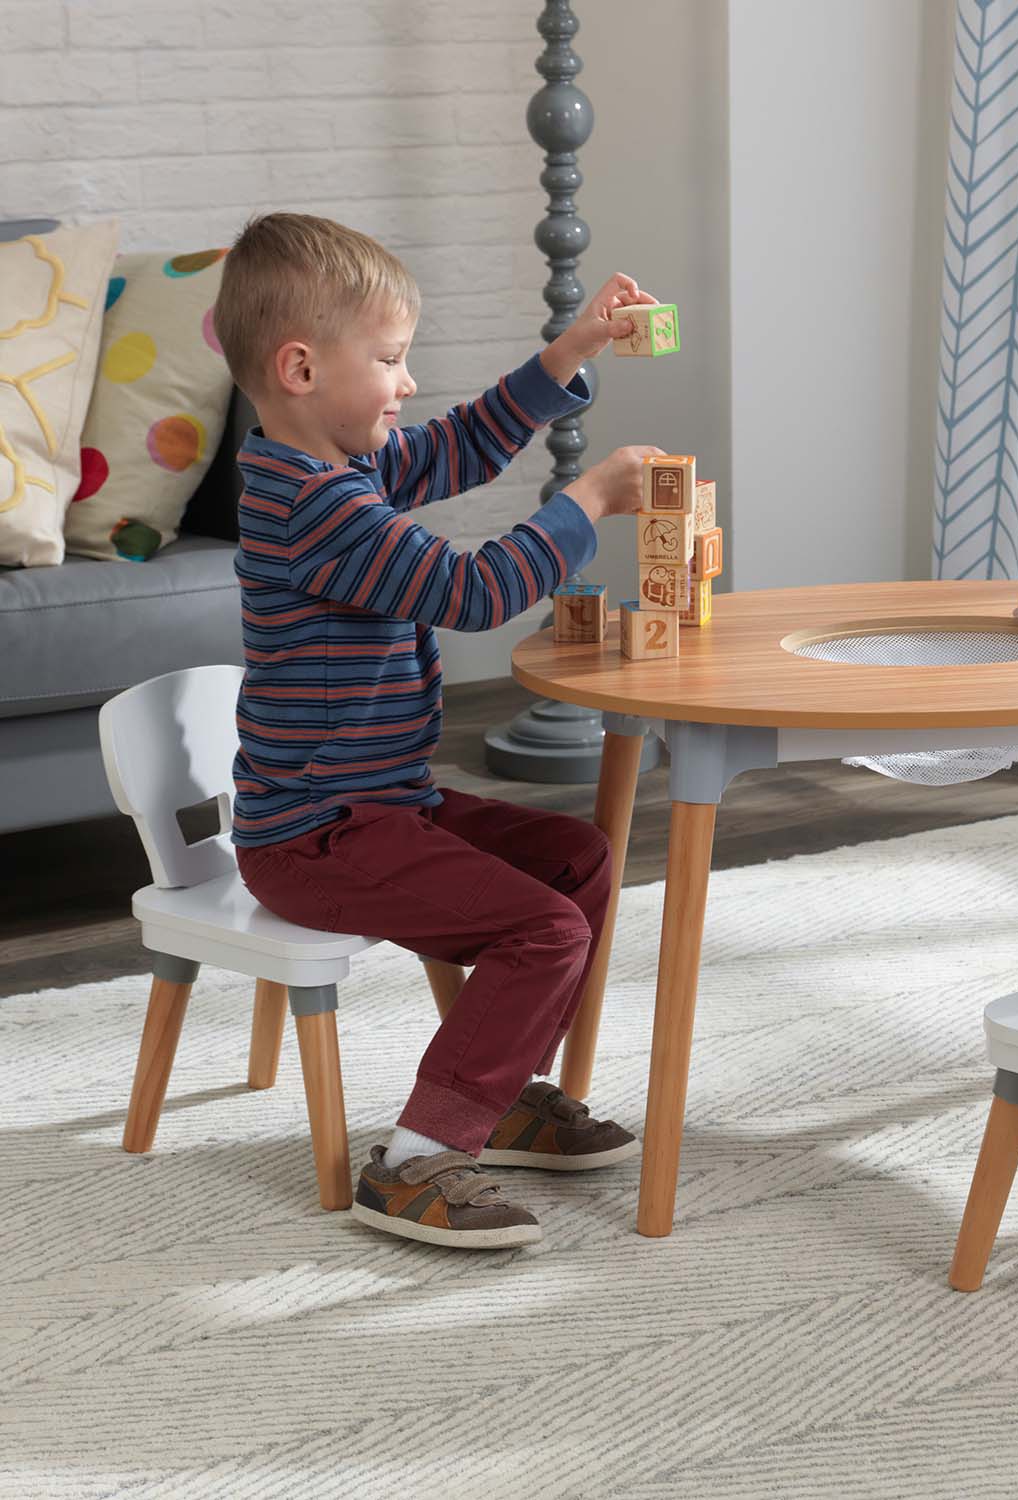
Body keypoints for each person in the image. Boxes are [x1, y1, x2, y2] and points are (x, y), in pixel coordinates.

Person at [213, 211, 658, 1249]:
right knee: (541, 927)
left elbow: (461, 445)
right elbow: (473, 590)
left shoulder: (340, 464)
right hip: (314, 836)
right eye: (391, 359)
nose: (407, 384)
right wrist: (587, 499)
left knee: (576, 860)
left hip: (381, 807)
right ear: (300, 367)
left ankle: (497, 1096)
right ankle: (417, 1155)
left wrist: (573, 350)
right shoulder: (311, 508)